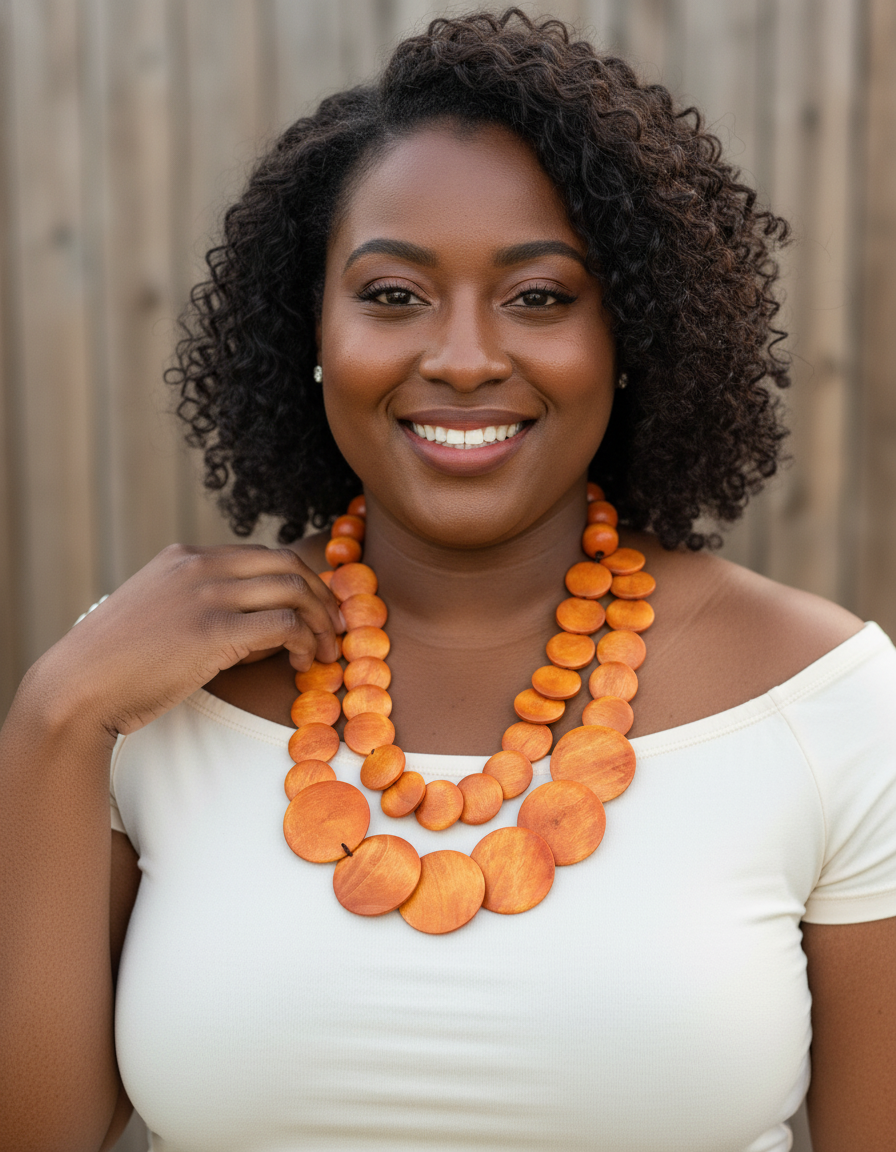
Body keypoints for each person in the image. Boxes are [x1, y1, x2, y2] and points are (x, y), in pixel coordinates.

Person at [1, 9, 894, 1151]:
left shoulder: (824, 704)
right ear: (308, 331)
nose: (464, 357)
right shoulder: (135, 693)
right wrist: (54, 716)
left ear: (628, 337)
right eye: (390, 295)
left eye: (538, 297)